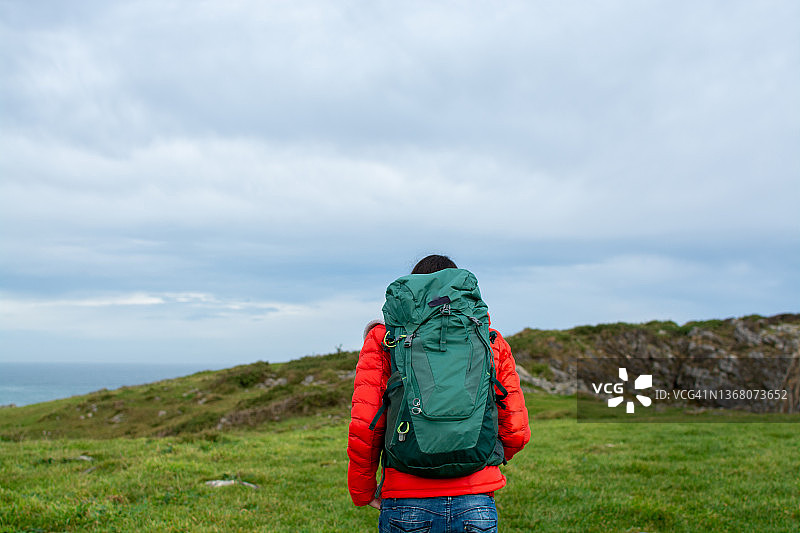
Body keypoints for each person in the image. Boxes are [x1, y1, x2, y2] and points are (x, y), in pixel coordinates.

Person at [347, 254, 531, 533]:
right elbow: (516, 430)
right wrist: (484, 457)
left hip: (405, 498)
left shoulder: (384, 339)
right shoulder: (489, 340)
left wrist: (363, 490)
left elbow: (365, 424)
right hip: (476, 499)